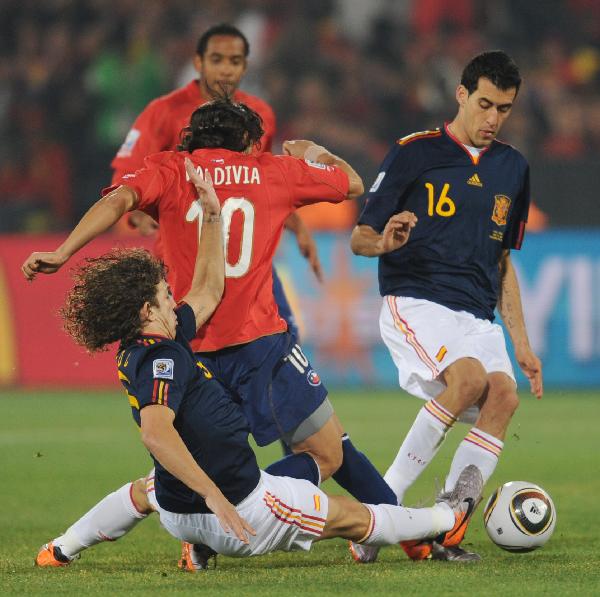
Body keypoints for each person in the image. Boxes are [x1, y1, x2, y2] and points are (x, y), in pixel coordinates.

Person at [33, 163, 483, 566]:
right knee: (354, 518)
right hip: (240, 509)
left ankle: (61, 548)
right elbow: (155, 430)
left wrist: (212, 216)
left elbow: (209, 290)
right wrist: (215, 498)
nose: (176, 299)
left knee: (143, 491)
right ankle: (447, 514)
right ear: (147, 312)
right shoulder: (162, 357)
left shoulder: (149, 341)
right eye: (166, 295)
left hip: (178, 506)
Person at [349, 51, 543, 563]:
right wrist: (383, 244)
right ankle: (378, 511)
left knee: (503, 394)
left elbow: (503, 261)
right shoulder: (414, 153)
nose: (493, 119)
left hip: (477, 314)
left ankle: (442, 527)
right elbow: (359, 237)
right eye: (484, 104)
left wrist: (521, 342)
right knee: (470, 380)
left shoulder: (513, 168)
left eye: (504, 108)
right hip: (417, 297)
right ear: (461, 94)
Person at [112, 22, 322, 338]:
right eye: (217, 59)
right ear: (199, 63)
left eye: (234, 61)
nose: (225, 70)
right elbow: (126, 176)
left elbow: (261, 186)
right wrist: (139, 213)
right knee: (185, 348)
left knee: (282, 337)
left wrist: (298, 226)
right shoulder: (163, 112)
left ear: (245, 66)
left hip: (245, 258)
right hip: (184, 258)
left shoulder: (260, 113)